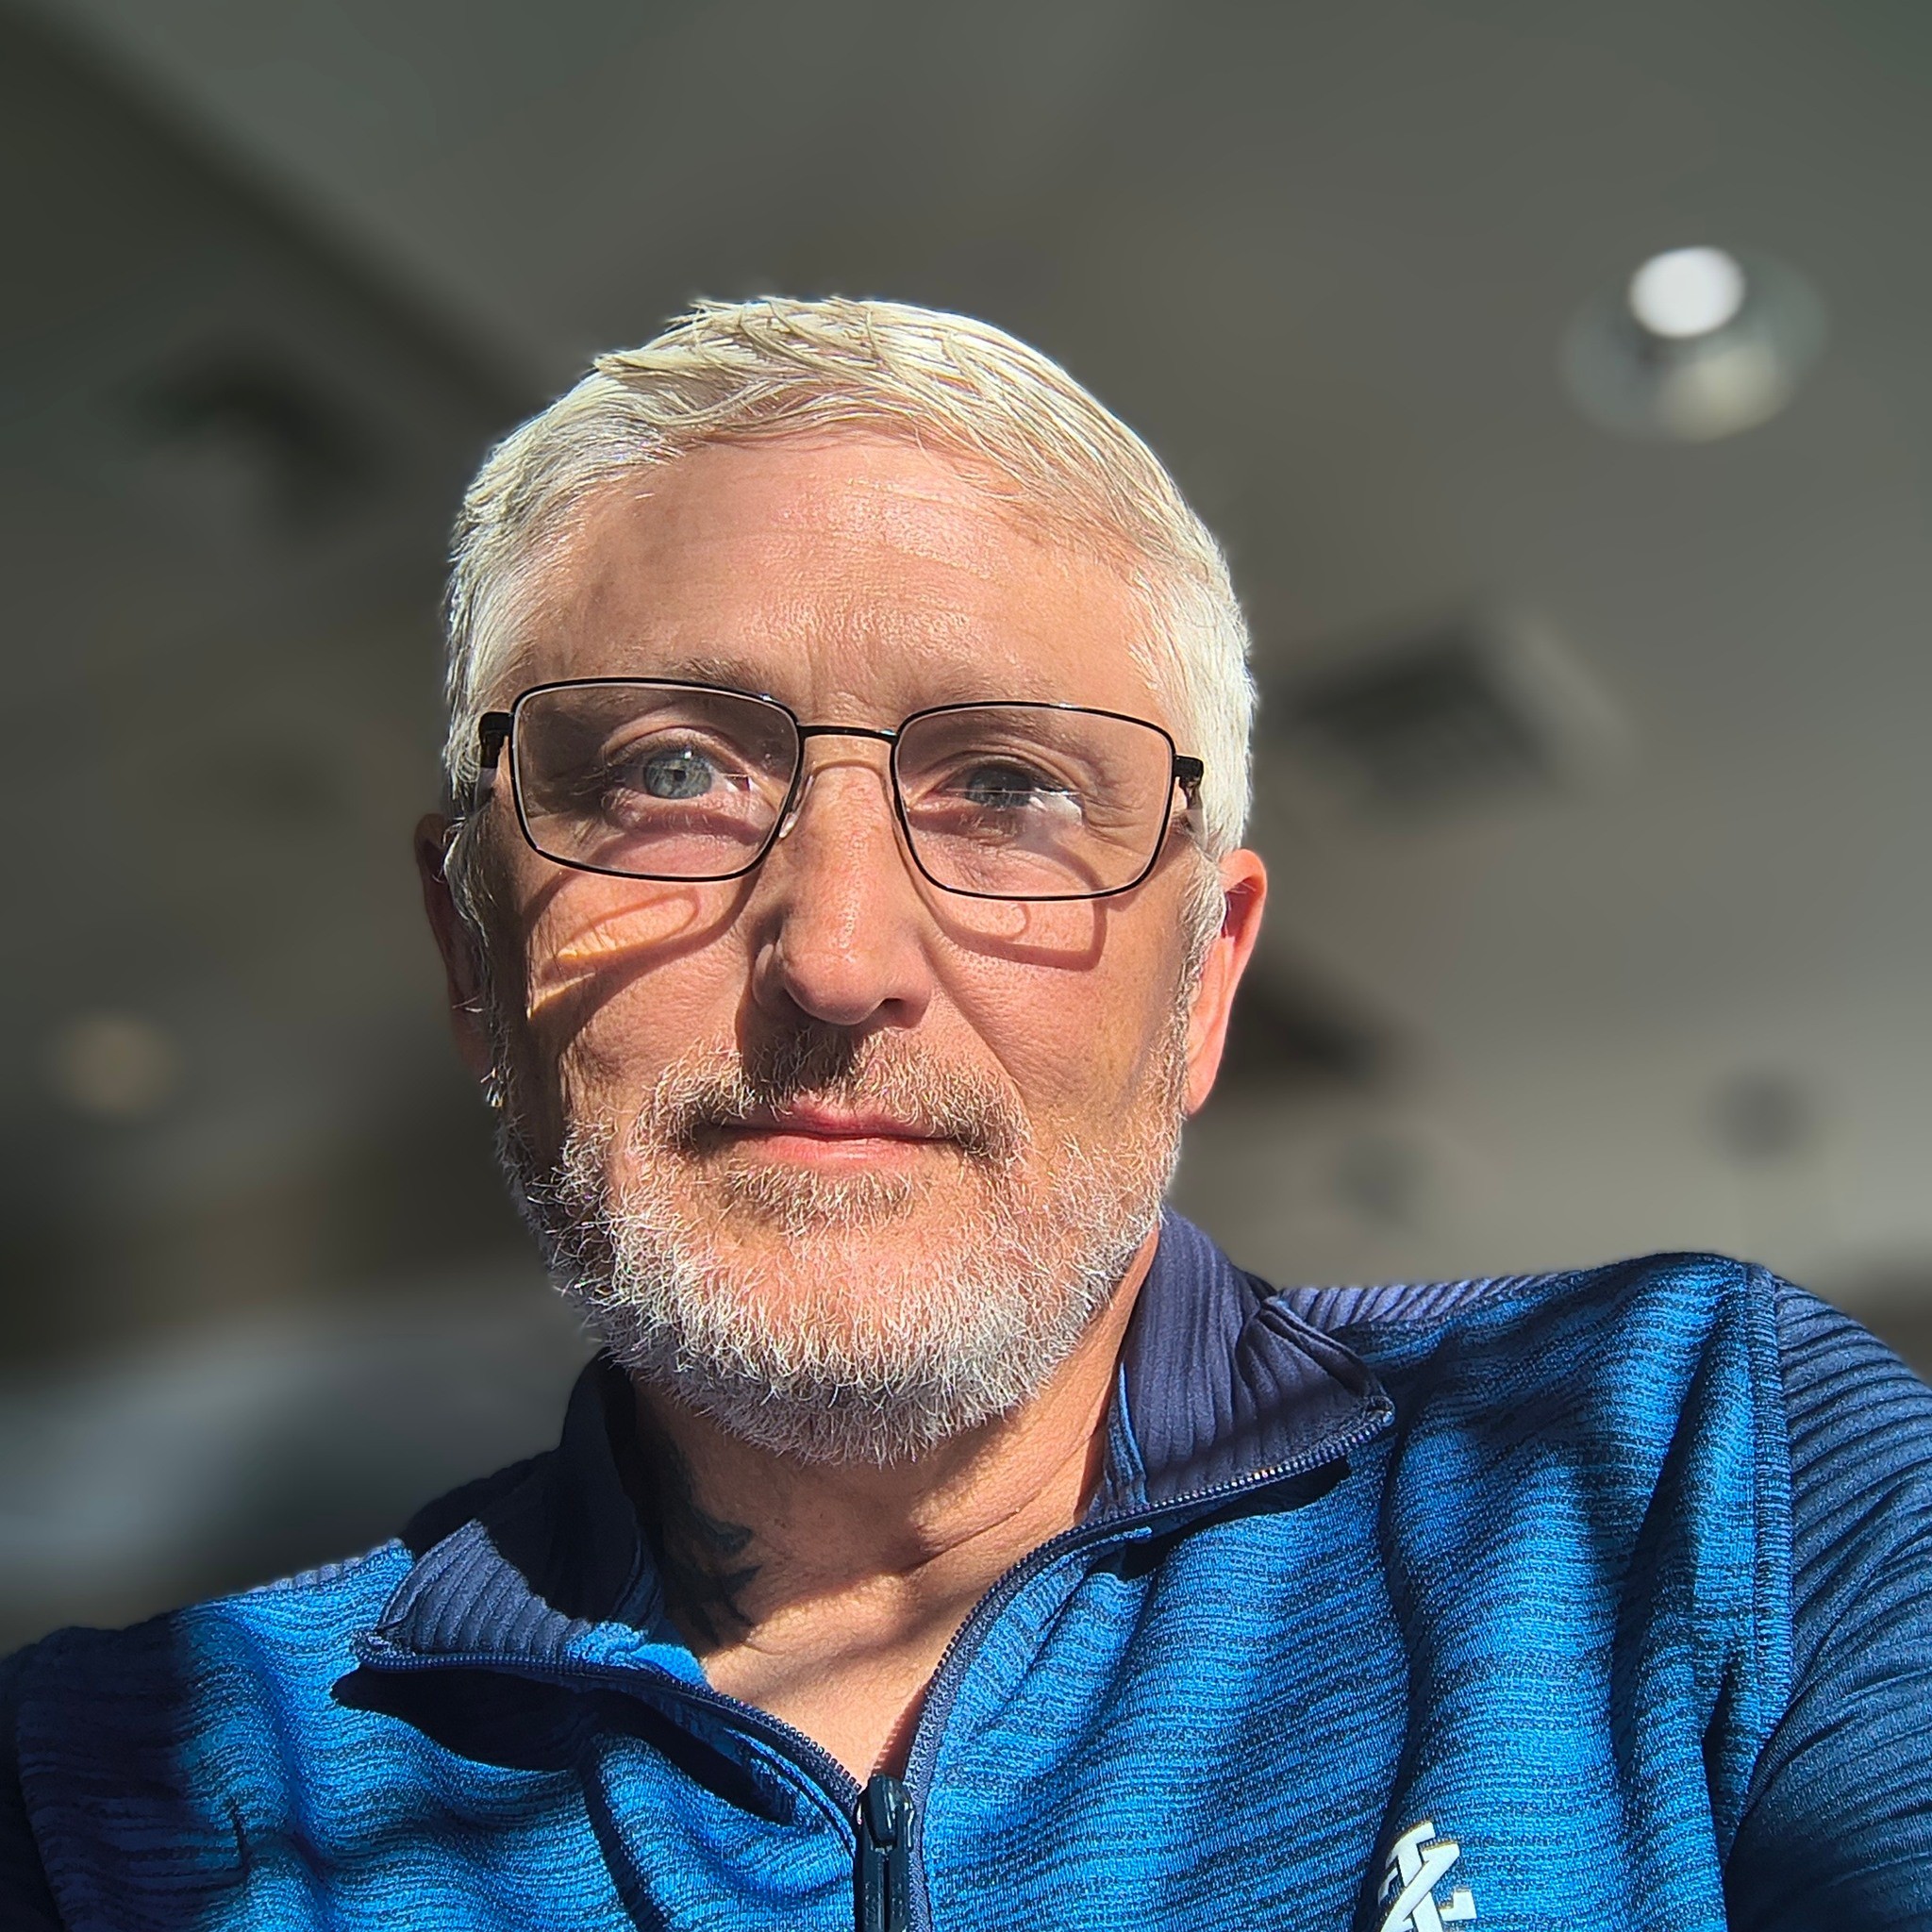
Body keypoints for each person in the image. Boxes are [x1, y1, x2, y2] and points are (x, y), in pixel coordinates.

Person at [4, 296, 1930, 1932]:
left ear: (1203, 981)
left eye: (1010, 788)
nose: (838, 957)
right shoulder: (123, 1793)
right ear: (472, 952)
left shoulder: (1695, 1468)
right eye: (669, 772)